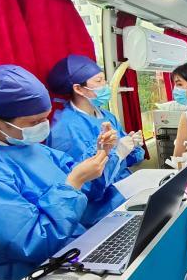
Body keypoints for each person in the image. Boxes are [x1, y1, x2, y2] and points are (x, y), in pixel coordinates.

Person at [0, 65, 111, 280]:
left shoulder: (28, 147)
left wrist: (100, 155)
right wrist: (74, 183)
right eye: (34, 122)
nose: (44, 126)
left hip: (69, 252)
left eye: (45, 118)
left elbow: (85, 185)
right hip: (28, 278)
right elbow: (33, 243)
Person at [46, 54, 145, 226]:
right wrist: (118, 154)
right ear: (79, 89)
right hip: (99, 211)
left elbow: (126, 160)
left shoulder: (106, 115)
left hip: (122, 193)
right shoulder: (65, 128)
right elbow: (86, 186)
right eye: (99, 81)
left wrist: (132, 146)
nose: (105, 85)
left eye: (104, 80)